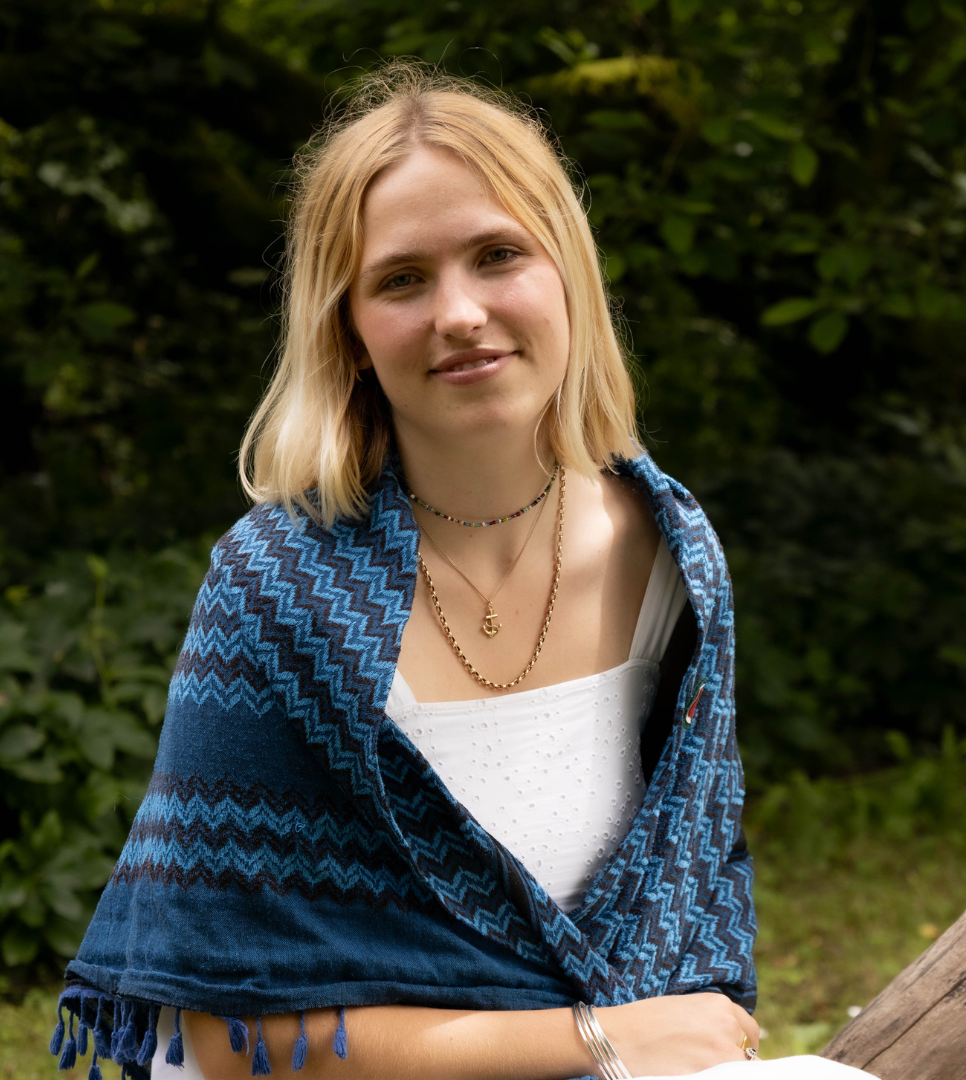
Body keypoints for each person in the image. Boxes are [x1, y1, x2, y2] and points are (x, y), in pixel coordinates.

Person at [51, 64, 869, 1080]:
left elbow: (686, 939)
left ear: (566, 271)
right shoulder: (277, 590)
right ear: (348, 333)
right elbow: (232, 1038)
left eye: (497, 256)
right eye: (402, 280)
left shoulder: (671, 554)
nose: (461, 312)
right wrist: (596, 1037)